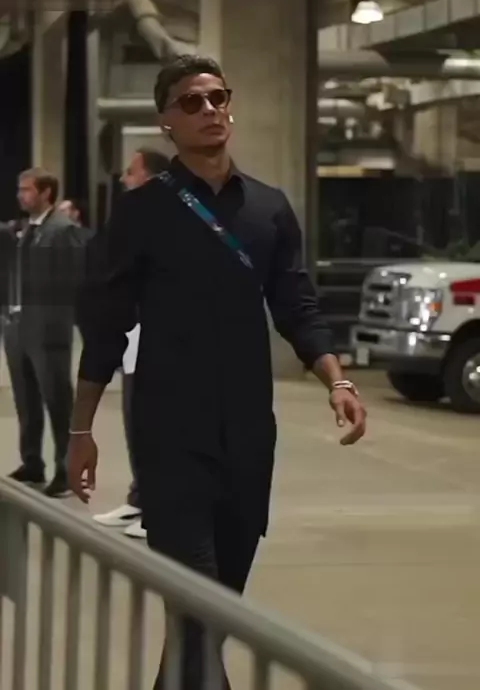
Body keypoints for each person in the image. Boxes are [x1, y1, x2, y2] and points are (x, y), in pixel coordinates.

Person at [67, 55, 366, 690]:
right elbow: (106, 327)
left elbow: (297, 305)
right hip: (170, 436)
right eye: (192, 102)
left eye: (218, 97)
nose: (209, 110)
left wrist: (336, 381)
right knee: (199, 613)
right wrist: (80, 430)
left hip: (249, 437)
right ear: (166, 122)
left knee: (211, 618)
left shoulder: (269, 208)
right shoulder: (142, 211)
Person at [92, 148, 170, 538]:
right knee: (135, 422)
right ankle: (140, 498)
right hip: (133, 334)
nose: (123, 179)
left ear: (150, 178)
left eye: (130, 172)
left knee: (160, 429)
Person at [6, 168, 86, 497]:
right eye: (19, 189)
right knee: (26, 402)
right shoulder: (27, 228)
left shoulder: (62, 229)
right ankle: (32, 462)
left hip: (48, 330)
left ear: (45, 193)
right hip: (19, 329)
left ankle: (67, 472)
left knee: (58, 403)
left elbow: (74, 281)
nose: (20, 195)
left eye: (27, 190)